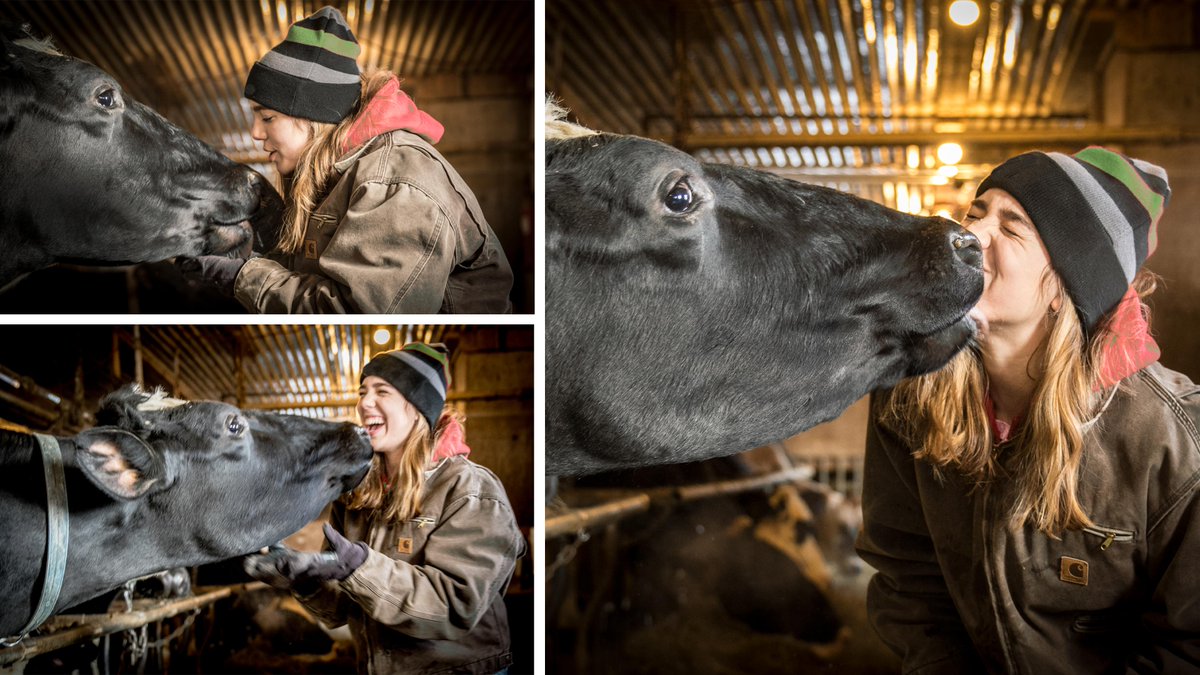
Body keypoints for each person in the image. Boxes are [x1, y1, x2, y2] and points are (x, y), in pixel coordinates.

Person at [856, 147, 1200, 673]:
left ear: (1065, 285)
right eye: (976, 213)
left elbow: (1186, 645)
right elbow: (908, 577)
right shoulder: (910, 396)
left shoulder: (1174, 446)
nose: (973, 234)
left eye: (1012, 227)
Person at [179, 7, 513, 313]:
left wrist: (242, 275)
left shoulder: (397, 185)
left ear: (312, 118)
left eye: (266, 118)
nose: (254, 133)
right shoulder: (332, 175)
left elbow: (356, 311)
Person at [245, 342, 525, 674]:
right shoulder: (356, 495)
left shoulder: (470, 491)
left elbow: (454, 608)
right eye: (362, 391)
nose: (364, 403)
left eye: (382, 391)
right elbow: (339, 613)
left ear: (418, 406)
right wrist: (305, 579)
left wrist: (358, 567)